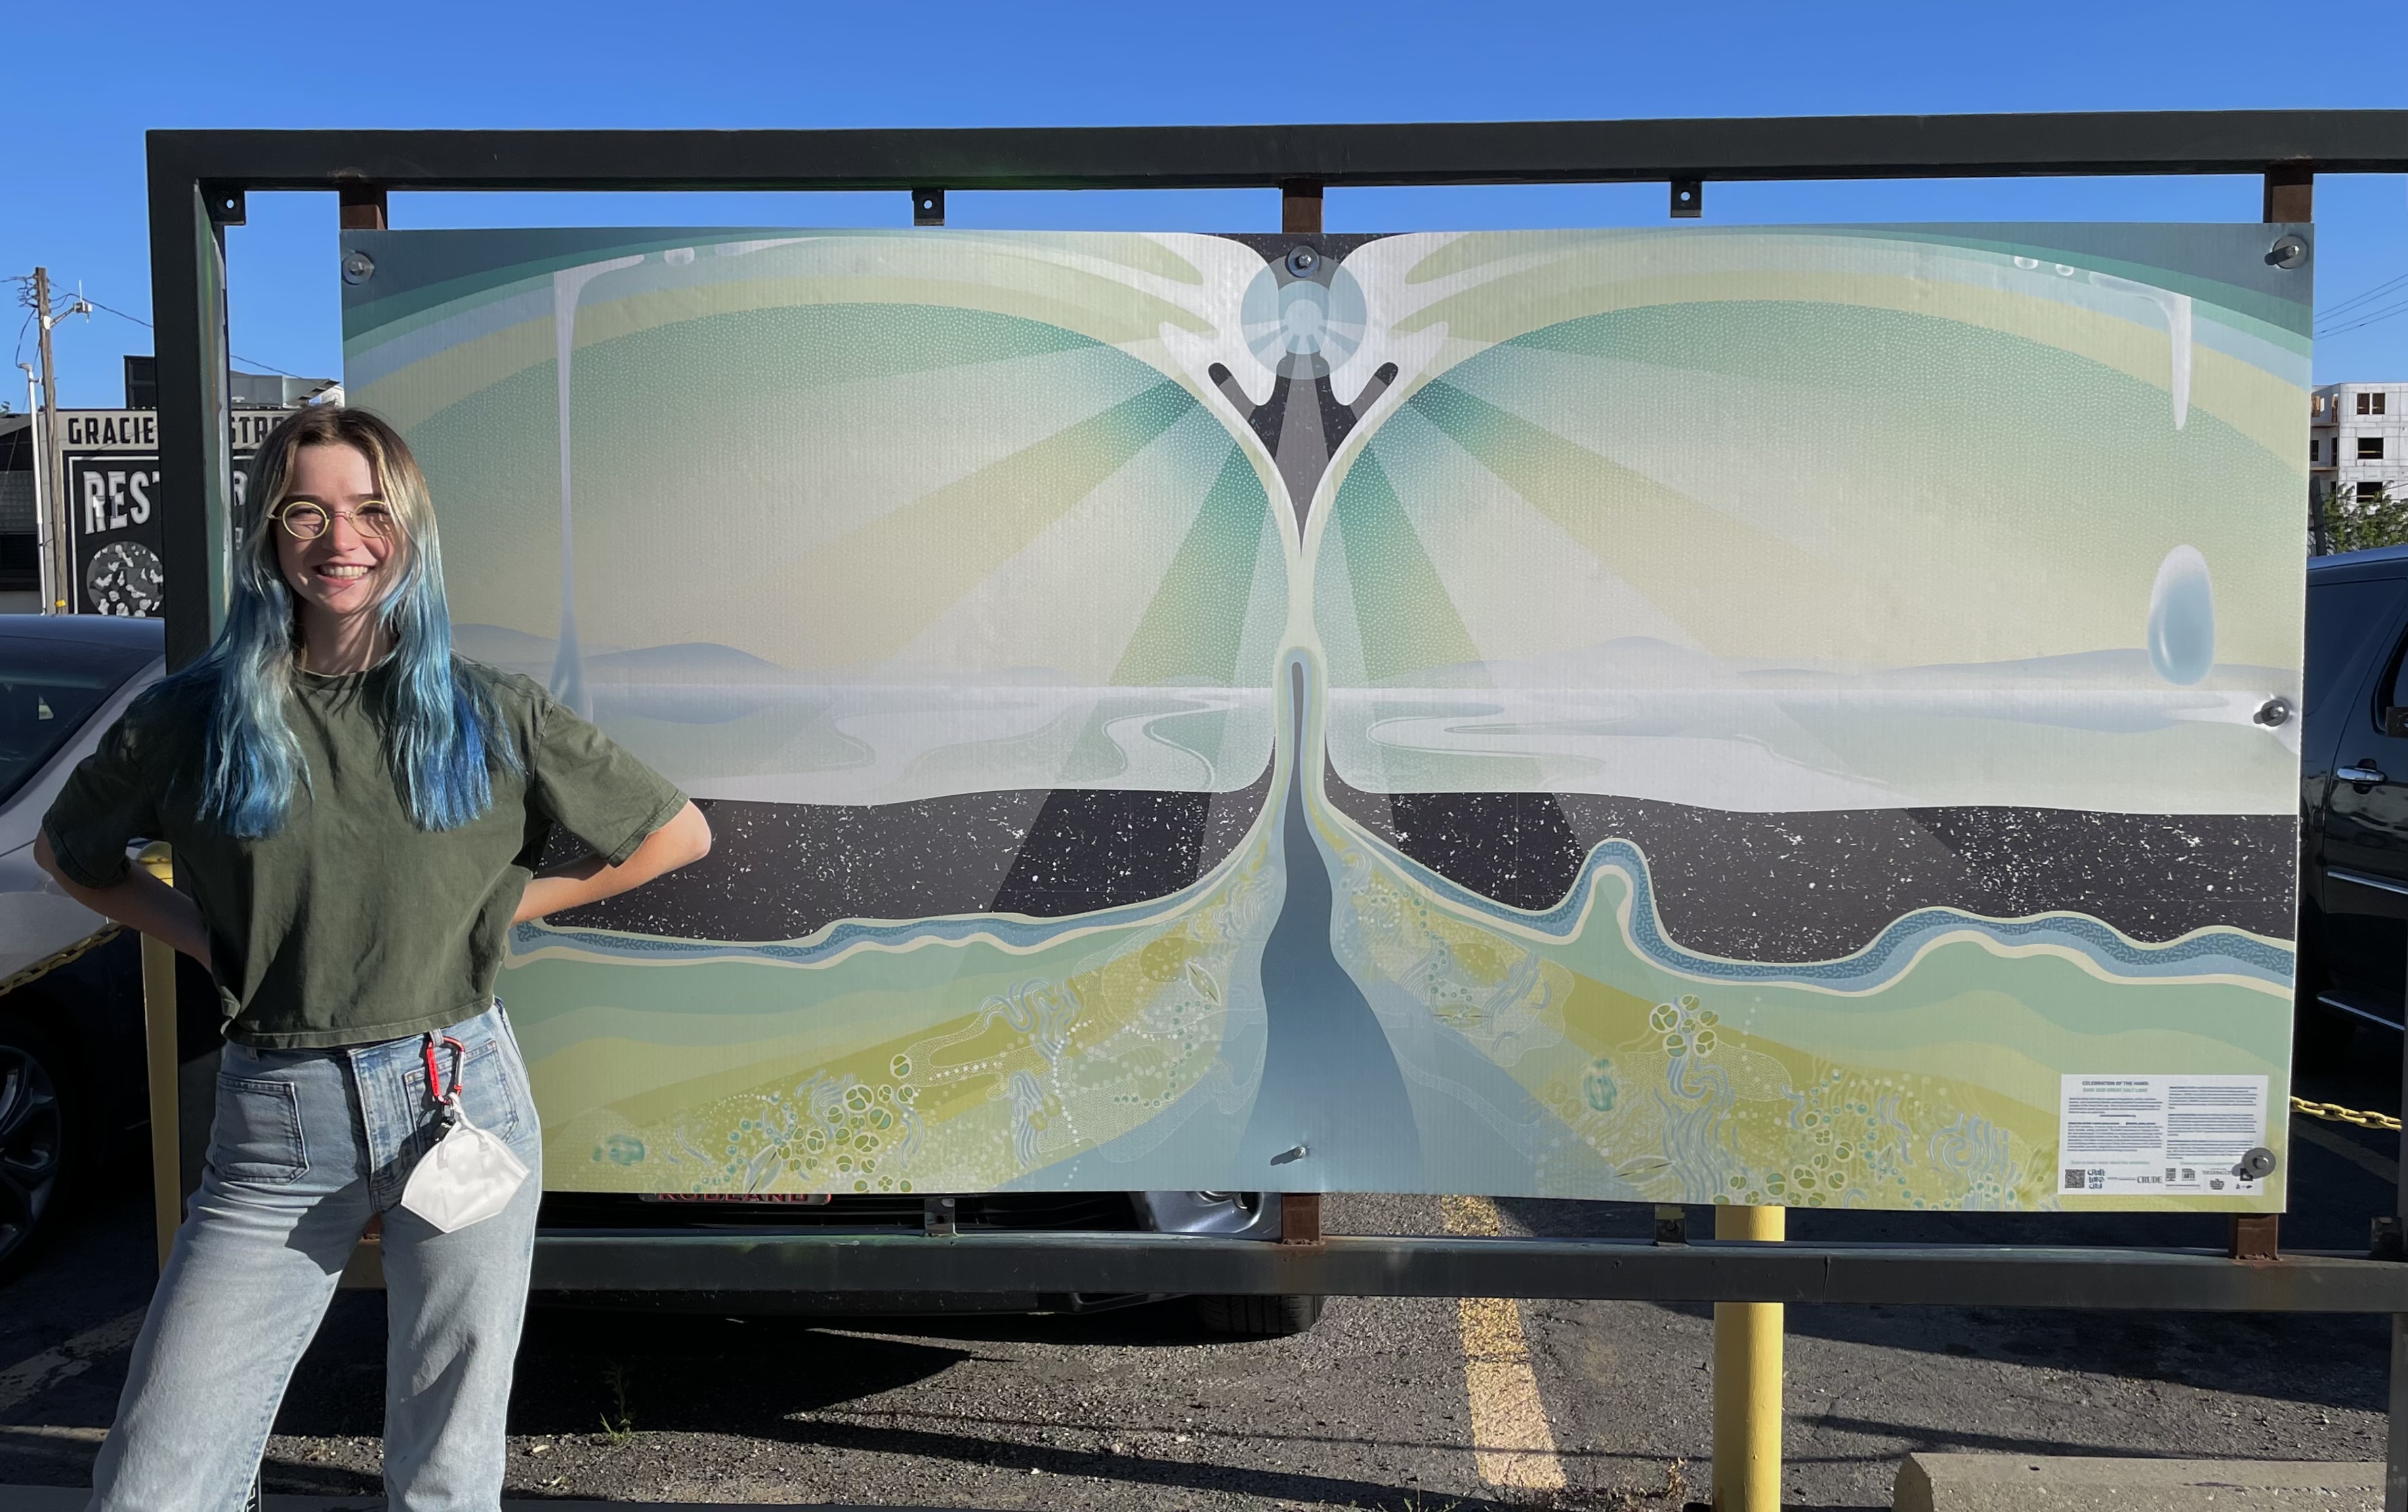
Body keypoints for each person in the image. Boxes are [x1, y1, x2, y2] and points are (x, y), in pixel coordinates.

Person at [36, 405, 711, 1512]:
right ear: (269, 532)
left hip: (460, 1093)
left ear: (409, 530)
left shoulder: (487, 710)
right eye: (306, 511)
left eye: (369, 510)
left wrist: (495, 915)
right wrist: (209, 940)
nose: (340, 539)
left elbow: (674, 833)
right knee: (156, 1480)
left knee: (446, 1473)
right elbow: (74, 855)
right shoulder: (193, 718)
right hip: (277, 1124)